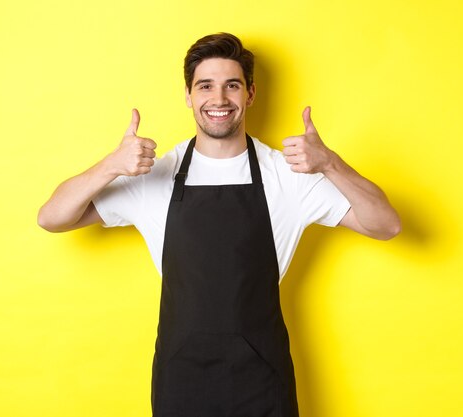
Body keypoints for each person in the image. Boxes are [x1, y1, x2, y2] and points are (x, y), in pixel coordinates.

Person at [38, 32, 400, 417]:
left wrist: (330, 163)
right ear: (188, 96)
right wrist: (111, 165)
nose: (219, 99)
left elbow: (385, 225)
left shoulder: (288, 175)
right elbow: (53, 217)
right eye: (205, 86)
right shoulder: (154, 177)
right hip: (181, 380)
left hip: (262, 380)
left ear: (251, 94)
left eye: (232, 86)